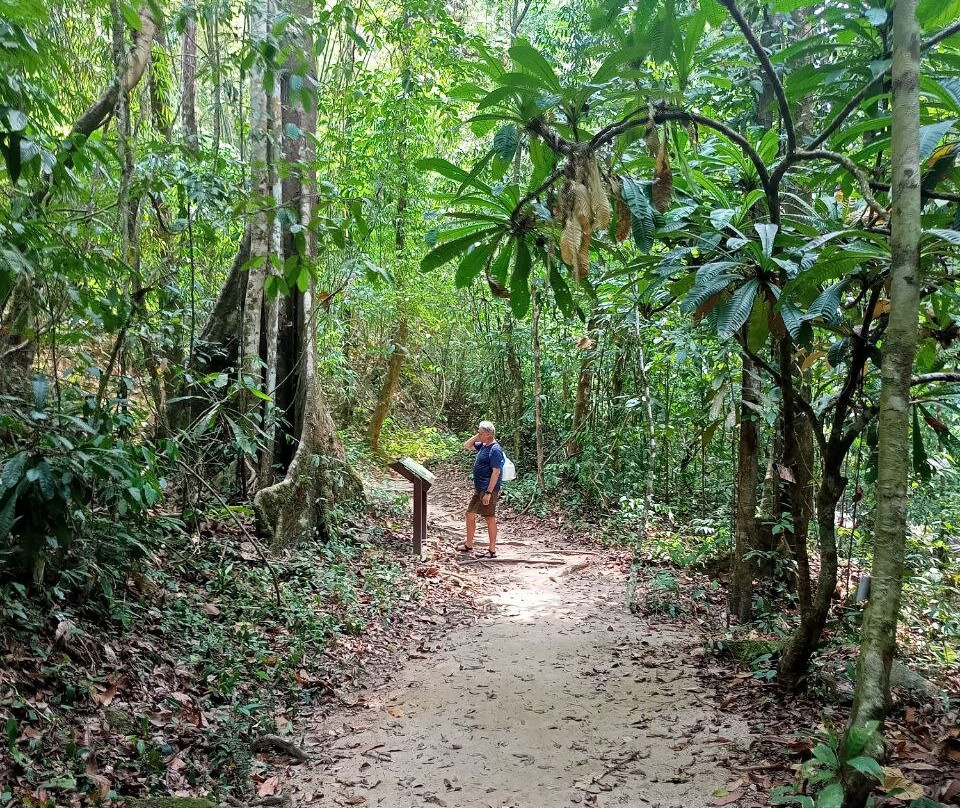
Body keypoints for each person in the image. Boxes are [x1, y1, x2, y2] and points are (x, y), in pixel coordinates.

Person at [458, 420, 504, 557]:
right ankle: (469, 544)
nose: (478, 435)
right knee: (470, 514)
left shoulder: (495, 449)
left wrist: (489, 492)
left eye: (480, 433)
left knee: (489, 517)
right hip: (479, 488)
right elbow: (467, 445)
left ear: (488, 435)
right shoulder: (484, 445)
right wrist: (478, 435)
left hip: (488, 489)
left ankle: (492, 549)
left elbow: (496, 472)